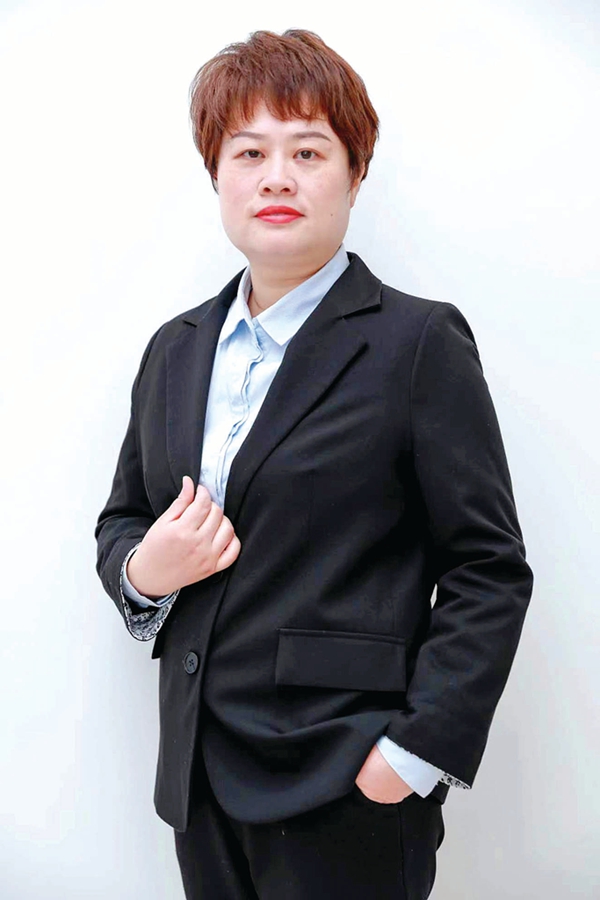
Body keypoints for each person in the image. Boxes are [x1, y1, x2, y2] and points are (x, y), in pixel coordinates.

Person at [95, 28, 534, 900]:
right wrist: (146, 572)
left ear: (355, 173)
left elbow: (488, 569)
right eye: (249, 152)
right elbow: (124, 521)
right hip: (197, 779)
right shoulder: (174, 349)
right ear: (216, 176)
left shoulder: (417, 342)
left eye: (308, 151)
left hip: (345, 783)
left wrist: (411, 757)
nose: (277, 177)